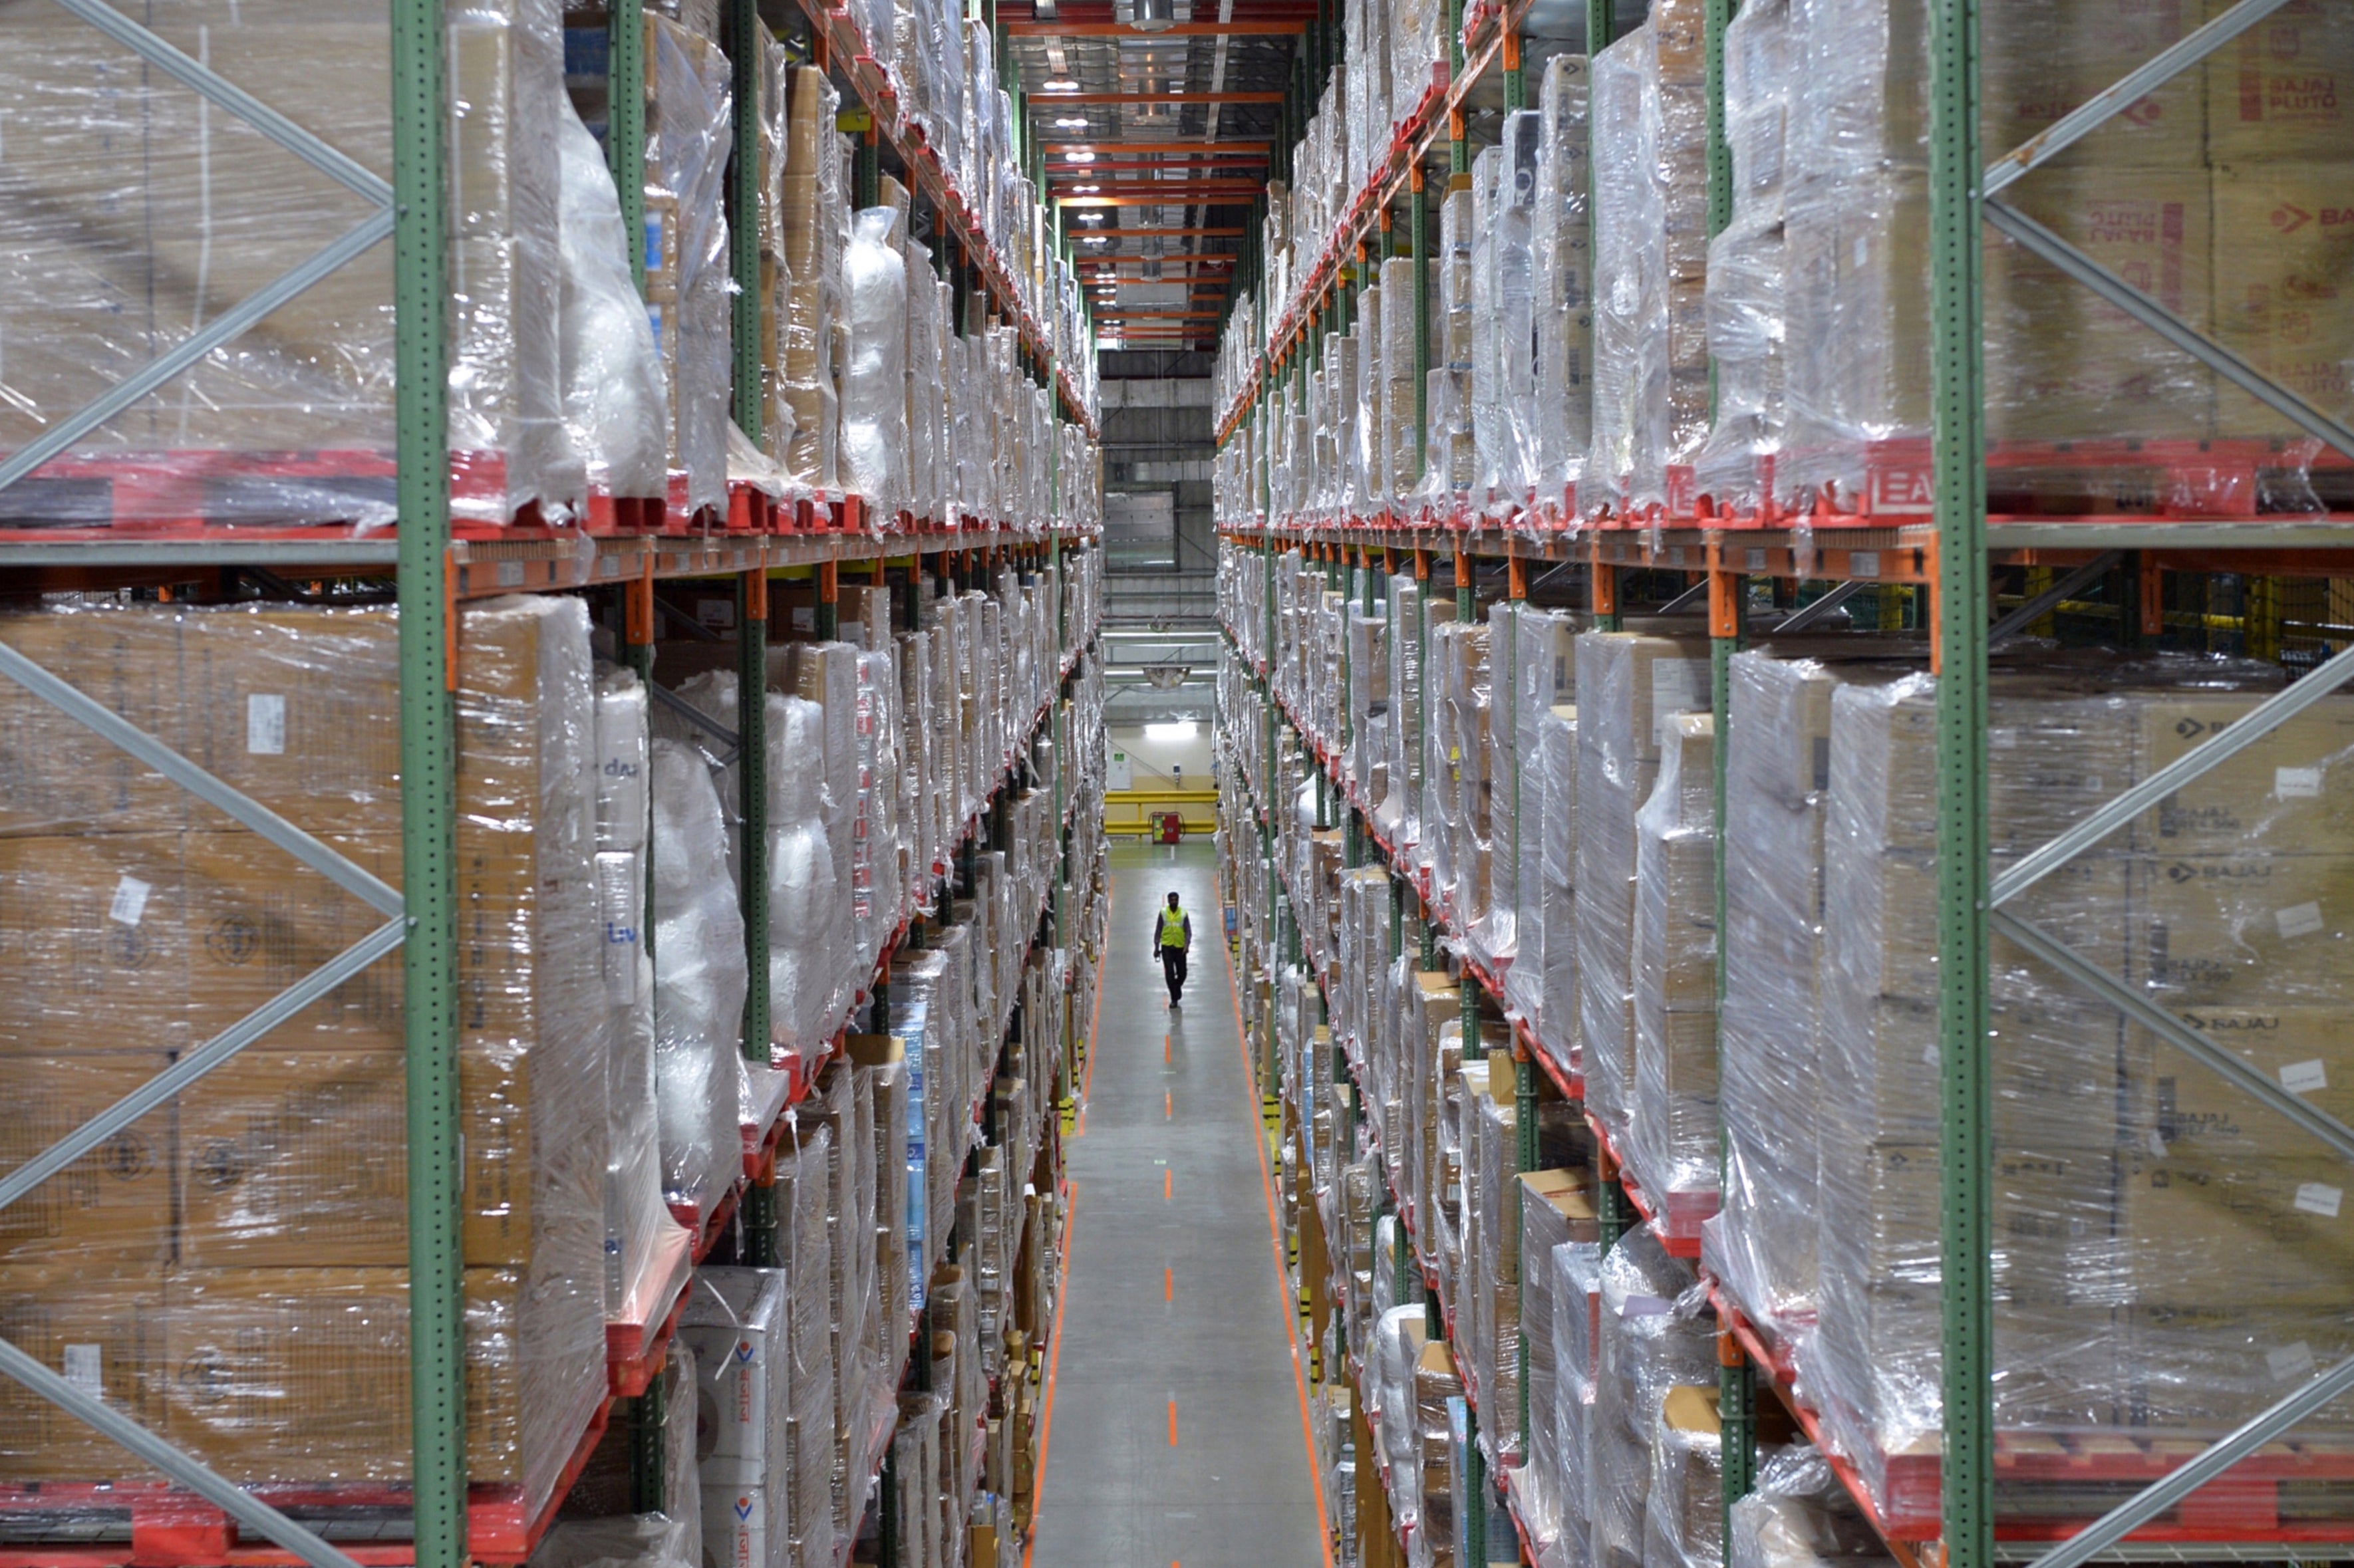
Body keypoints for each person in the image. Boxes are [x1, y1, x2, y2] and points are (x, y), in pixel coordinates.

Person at [1153, 890, 1192, 1006]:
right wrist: (1156, 947)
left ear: (1178, 901)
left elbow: (1188, 931)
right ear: (1169, 901)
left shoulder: (1184, 913)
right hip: (1167, 947)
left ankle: (1176, 987)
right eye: (1172, 900)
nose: (1174, 902)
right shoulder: (1163, 913)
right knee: (1169, 974)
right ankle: (1174, 999)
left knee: (1182, 973)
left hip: (1180, 948)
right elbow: (1158, 930)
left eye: (1176, 900)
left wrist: (1186, 945)